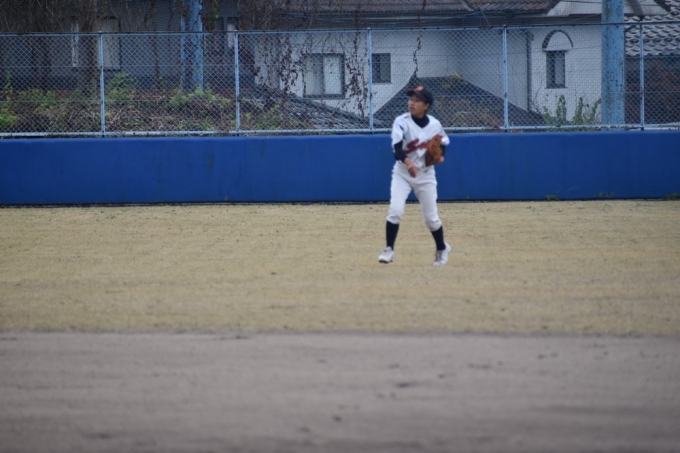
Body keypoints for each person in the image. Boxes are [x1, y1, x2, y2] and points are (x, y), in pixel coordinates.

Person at [378, 85, 451, 266]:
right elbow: (397, 150)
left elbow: (444, 142)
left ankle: (442, 248)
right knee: (395, 211)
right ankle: (389, 249)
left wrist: (441, 157)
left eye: (417, 100)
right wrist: (409, 163)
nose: (412, 103)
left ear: (426, 106)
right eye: (411, 99)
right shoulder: (401, 122)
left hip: (425, 175)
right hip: (403, 173)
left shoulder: (434, 124)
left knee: (431, 219)